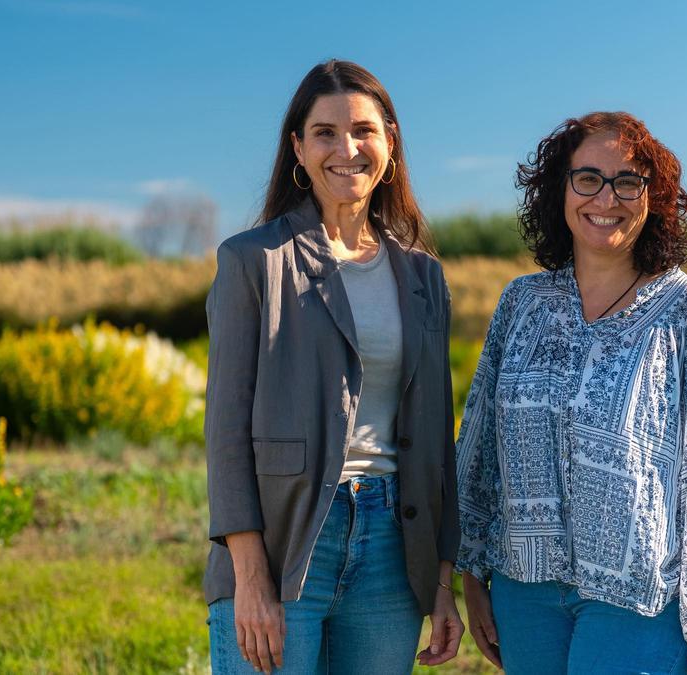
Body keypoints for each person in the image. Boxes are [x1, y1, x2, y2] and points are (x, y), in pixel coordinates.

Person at [456, 111, 687, 674]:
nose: (607, 197)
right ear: (560, 190)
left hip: (637, 597)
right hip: (524, 588)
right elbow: (478, 441)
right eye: (588, 178)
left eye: (628, 181)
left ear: (654, 198)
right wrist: (471, 568)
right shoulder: (521, 304)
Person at [203, 59, 463, 674]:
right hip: (285, 543)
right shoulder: (253, 262)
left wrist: (442, 581)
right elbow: (226, 431)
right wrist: (250, 576)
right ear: (297, 146)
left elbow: (436, 440)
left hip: (391, 555)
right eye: (324, 132)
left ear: (389, 143)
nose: (346, 149)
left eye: (363, 131)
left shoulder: (424, 277)